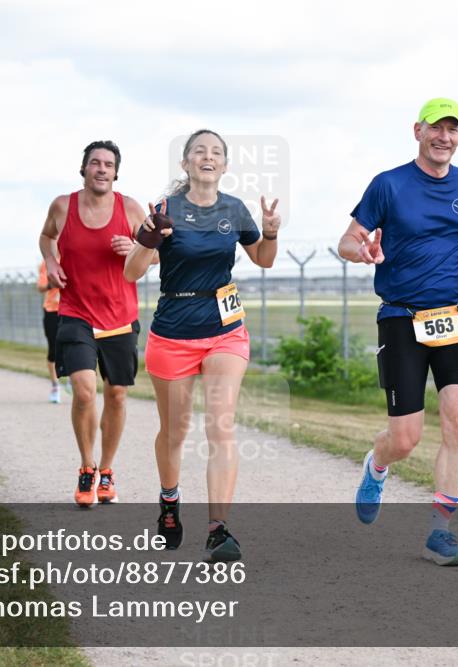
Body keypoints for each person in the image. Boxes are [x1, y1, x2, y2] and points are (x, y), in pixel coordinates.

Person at [337, 98, 458, 567]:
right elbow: (347, 241)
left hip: (454, 314)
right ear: (418, 130)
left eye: (453, 129)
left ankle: (441, 530)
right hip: (400, 316)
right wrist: (363, 251)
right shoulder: (388, 184)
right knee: (406, 438)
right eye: (437, 128)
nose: (445, 137)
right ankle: (377, 466)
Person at [124, 129, 281, 562]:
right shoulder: (164, 210)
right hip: (173, 332)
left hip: (225, 330)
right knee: (175, 431)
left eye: (215, 152)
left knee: (221, 425)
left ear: (225, 165)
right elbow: (130, 273)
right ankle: (170, 501)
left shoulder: (235, 209)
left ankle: (218, 529)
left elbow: (264, 260)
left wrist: (269, 234)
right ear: (186, 164)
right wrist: (150, 237)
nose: (207, 157)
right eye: (199, 151)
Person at [39, 139, 148, 508]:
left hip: (119, 316)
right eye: (95, 163)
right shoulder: (62, 205)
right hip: (75, 312)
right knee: (85, 392)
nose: (102, 169)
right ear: (83, 169)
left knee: (116, 394)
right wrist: (51, 263)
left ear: (116, 172)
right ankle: (87, 466)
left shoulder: (130, 209)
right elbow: (46, 237)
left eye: (108, 164)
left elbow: (156, 255)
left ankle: (107, 470)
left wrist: (135, 251)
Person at [36, 257, 62, 403]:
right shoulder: (48, 262)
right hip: (53, 310)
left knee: (75, 346)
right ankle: (55, 385)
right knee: (54, 349)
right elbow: (40, 287)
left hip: (74, 310)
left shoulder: (77, 254)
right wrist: (52, 284)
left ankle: (75, 378)